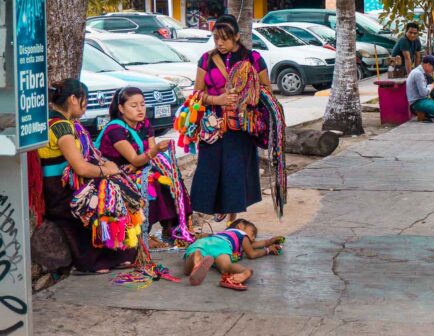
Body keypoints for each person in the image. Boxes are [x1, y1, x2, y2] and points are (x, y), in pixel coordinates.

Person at [39, 79, 136, 273]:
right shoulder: (61, 128)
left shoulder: (64, 124)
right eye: (85, 99)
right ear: (74, 99)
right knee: (99, 202)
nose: (86, 105)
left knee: (116, 190)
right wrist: (107, 171)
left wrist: (105, 166)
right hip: (60, 191)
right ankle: (97, 260)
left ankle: (117, 254)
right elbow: (81, 168)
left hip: (68, 185)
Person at [192, 14, 271, 224]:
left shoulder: (253, 59)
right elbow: (197, 94)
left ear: (237, 37)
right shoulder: (206, 59)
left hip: (241, 126)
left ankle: (232, 219)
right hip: (213, 126)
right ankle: (213, 209)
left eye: (225, 38)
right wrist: (217, 99)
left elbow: (267, 91)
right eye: (216, 38)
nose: (220, 43)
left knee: (235, 172)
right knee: (209, 168)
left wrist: (247, 98)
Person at [95, 87, 192, 248]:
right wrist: (150, 154)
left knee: (169, 175)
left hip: (137, 167)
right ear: (121, 108)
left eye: (142, 104)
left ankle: (174, 226)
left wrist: (142, 161)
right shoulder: (115, 130)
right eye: (134, 106)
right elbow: (139, 156)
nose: (140, 109)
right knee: (151, 181)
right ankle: (145, 232)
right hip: (115, 173)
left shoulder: (145, 124)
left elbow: (147, 158)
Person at [184, 218, 284, 290]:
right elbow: (251, 253)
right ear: (240, 226)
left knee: (188, 269)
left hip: (204, 242)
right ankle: (244, 272)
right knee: (226, 266)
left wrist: (270, 241)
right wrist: (267, 250)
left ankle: (196, 258)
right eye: (252, 233)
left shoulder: (223, 233)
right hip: (221, 246)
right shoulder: (241, 234)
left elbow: (258, 244)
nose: (253, 238)